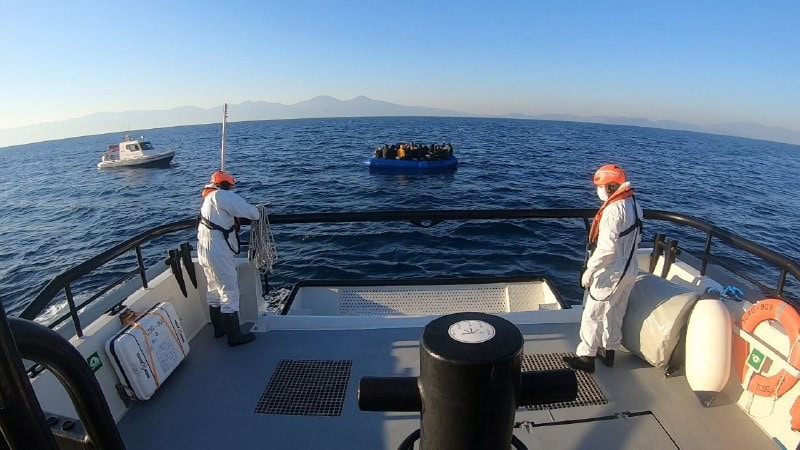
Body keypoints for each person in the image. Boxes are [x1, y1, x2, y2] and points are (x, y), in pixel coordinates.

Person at [564, 164, 643, 373]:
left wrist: (590, 270)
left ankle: (586, 356)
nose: (598, 191)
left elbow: (607, 249)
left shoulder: (613, 210)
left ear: (611, 187)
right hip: (630, 268)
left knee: (593, 312)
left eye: (600, 186)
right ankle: (609, 352)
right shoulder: (634, 203)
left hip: (612, 271)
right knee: (616, 312)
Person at [197, 170, 261, 347]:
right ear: (227, 185)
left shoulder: (208, 199)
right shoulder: (222, 196)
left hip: (204, 249)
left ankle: (219, 330)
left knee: (213, 289)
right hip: (218, 250)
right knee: (230, 291)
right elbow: (253, 213)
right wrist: (258, 209)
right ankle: (234, 336)